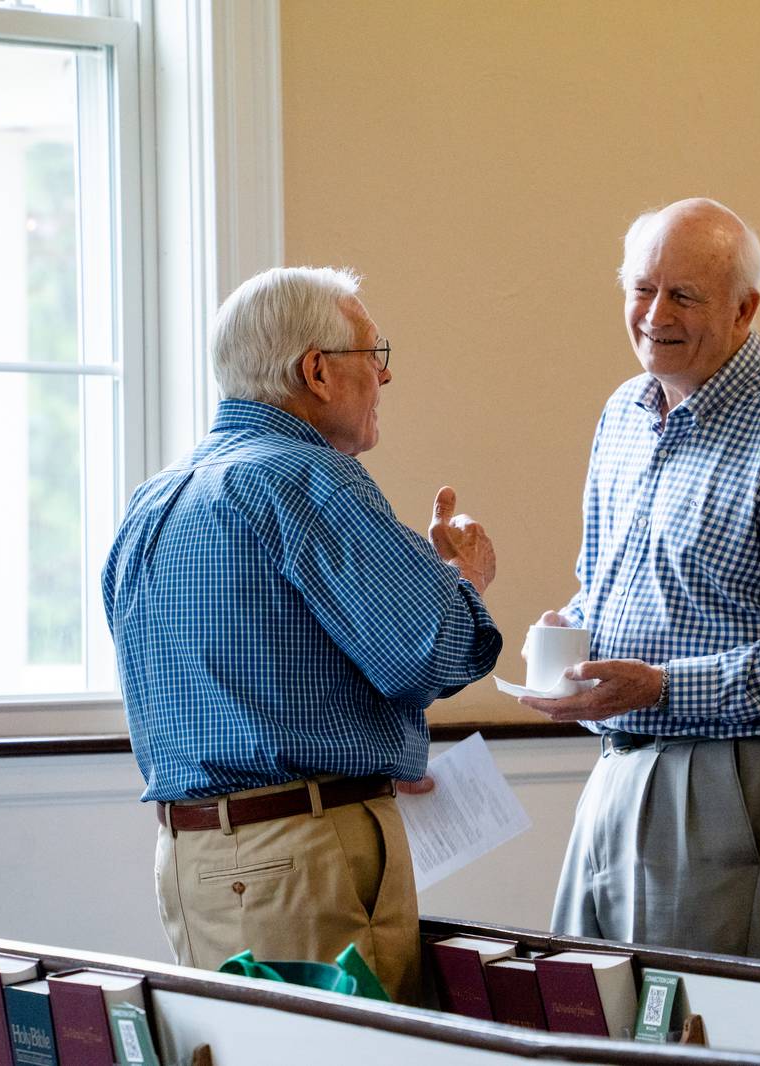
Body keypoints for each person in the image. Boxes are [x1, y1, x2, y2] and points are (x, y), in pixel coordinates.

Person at [103, 266, 501, 1002]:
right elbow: (427, 652)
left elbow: (239, 683)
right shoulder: (308, 478)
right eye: (374, 354)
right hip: (304, 856)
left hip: (190, 862)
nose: (385, 376)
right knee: (352, 1050)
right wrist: (462, 579)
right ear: (316, 371)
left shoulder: (152, 502)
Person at [520, 198, 760, 959]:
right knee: (581, 996)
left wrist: (662, 687)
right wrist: (573, 631)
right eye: (641, 289)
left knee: (678, 1009)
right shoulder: (624, 414)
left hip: (732, 770)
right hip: (621, 755)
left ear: (744, 309)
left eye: (684, 295)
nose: (655, 314)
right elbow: (608, 583)